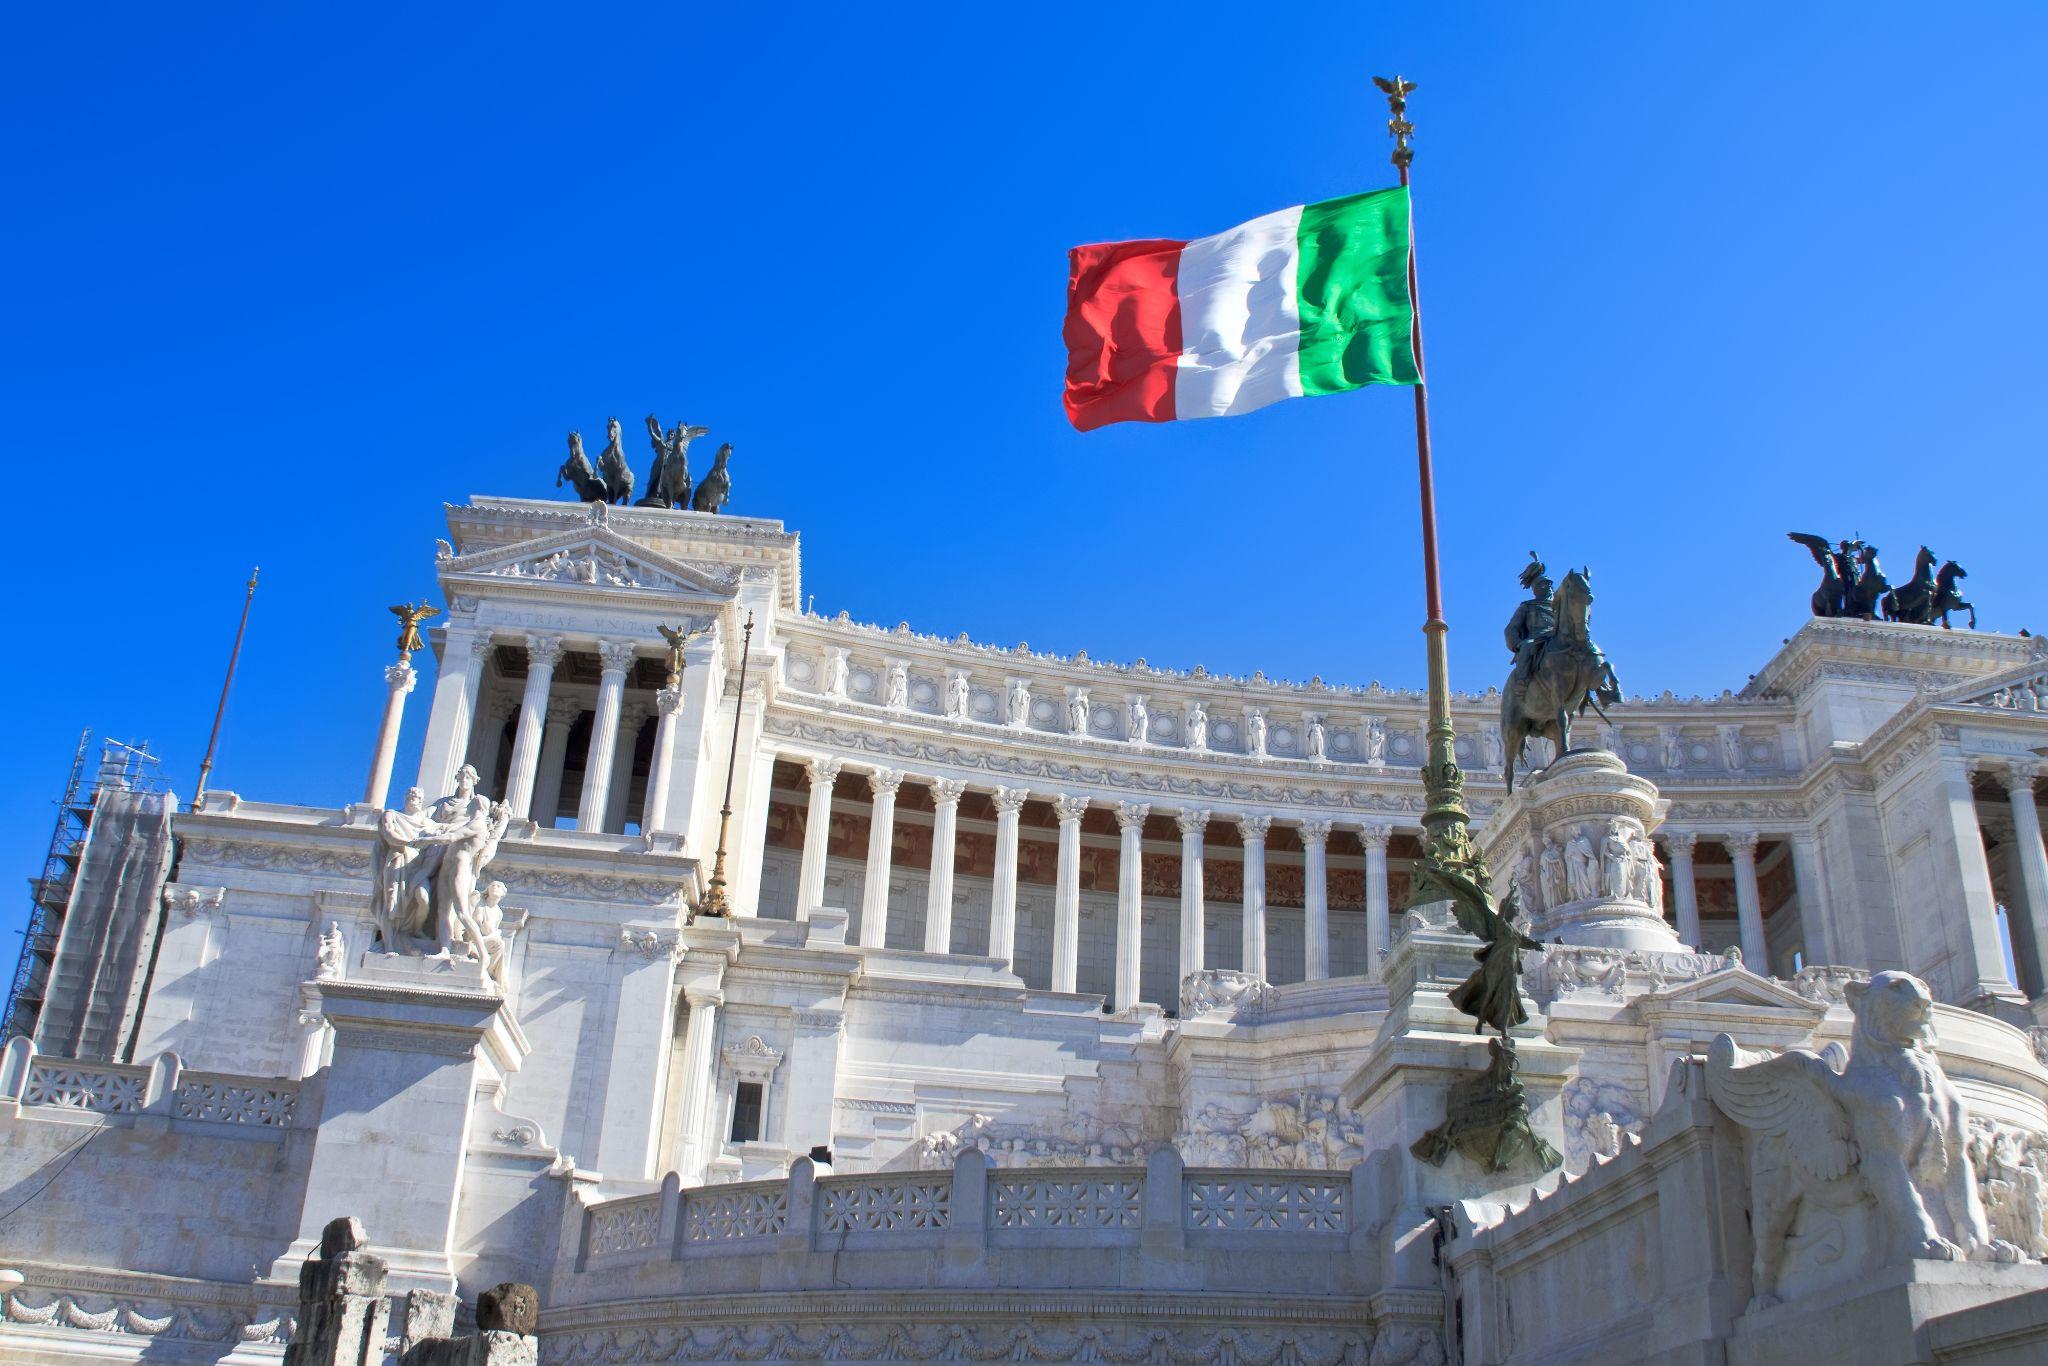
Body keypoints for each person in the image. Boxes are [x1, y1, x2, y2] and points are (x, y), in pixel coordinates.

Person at [1504, 553, 1556, 695]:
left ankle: (1601, 687)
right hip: (1538, 638)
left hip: (1558, 636)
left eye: (1550, 585)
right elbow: (1511, 629)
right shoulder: (1527, 607)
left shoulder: (1560, 607)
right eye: (1545, 585)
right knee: (1527, 646)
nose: (1549, 588)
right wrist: (1517, 644)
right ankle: (1522, 680)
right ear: (1537, 589)